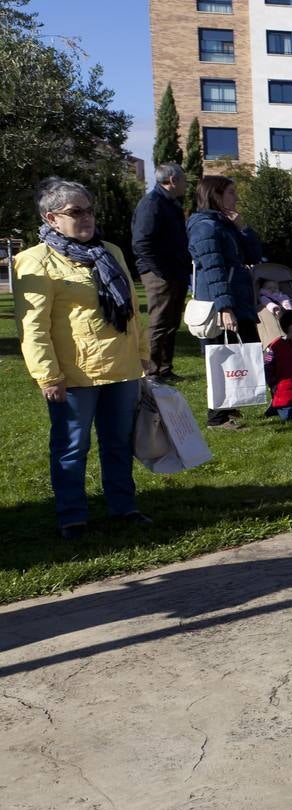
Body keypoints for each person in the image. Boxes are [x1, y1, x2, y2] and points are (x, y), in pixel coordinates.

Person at [17, 178, 152, 539]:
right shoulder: (33, 262)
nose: (87, 217)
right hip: (74, 375)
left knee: (119, 443)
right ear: (51, 218)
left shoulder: (110, 251)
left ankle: (125, 508)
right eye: (76, 212)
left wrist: (141, 354)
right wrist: (47, 376)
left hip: (121, 366)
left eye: (90, 209)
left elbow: (132, 310)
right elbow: (33, 327)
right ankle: (72, 516)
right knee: (71, 447)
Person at [187, 174, 263, 430]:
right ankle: (216, 417)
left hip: (238, 299)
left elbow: (253, 255)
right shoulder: (205, 227)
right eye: (231, 192)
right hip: (219, 302)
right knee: (219, 356)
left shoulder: (223, 224)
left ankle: (229, 404)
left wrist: (243, 227)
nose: (236, 197)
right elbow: (213, 268)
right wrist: (225, 307)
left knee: (239, 351)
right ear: (215, 195)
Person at [130, 162, 190, 382]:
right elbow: (142, 241)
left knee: (172, 320)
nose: (186, 184)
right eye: (184, 179)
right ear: (172, 180)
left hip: (174, 270)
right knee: (159, 321)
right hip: (161, 273)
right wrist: (160, 271)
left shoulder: (169, 203)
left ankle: (165, 368)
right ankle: (152, 370)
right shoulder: (152, 204)